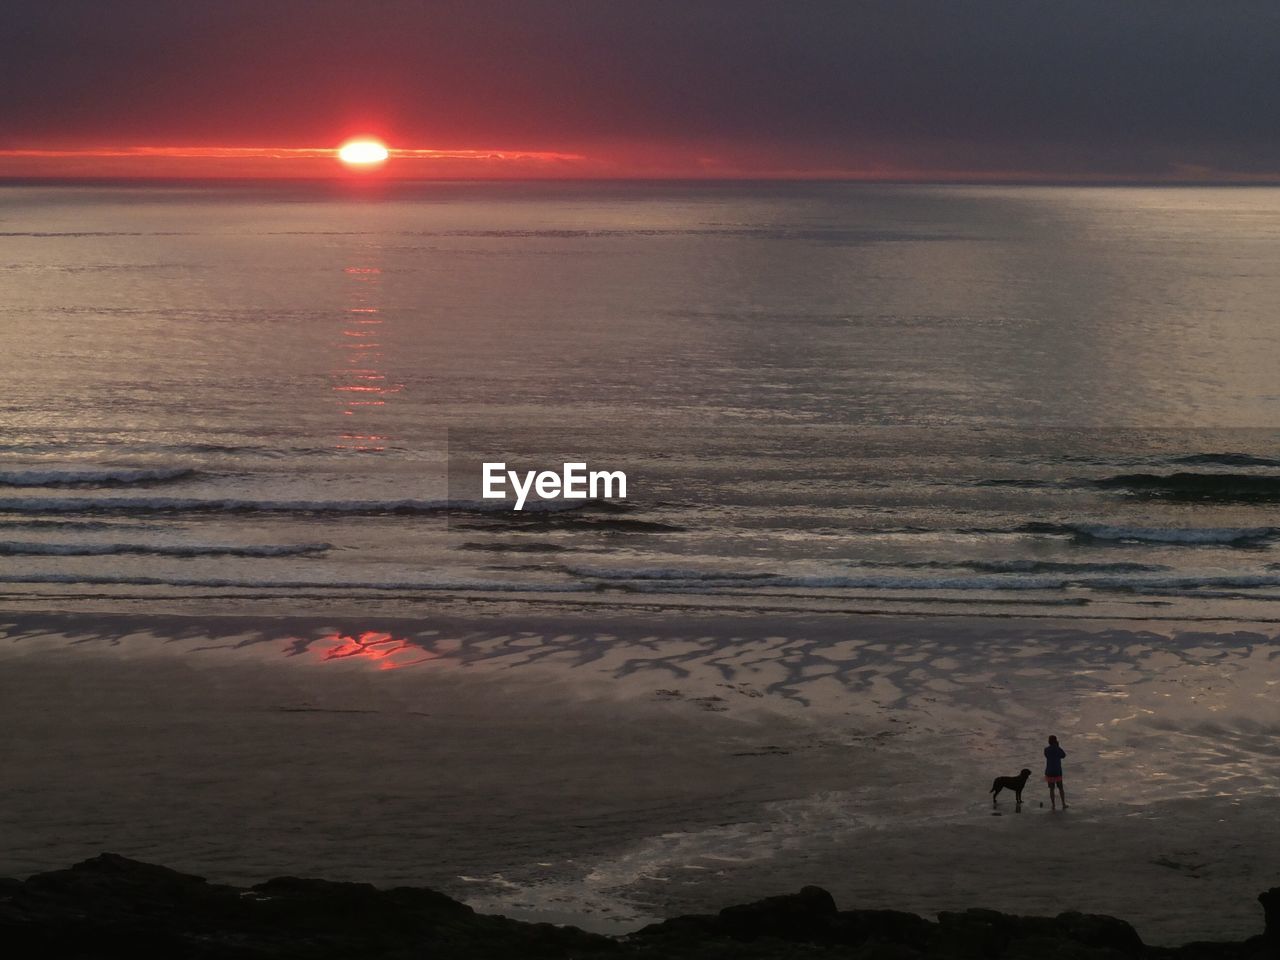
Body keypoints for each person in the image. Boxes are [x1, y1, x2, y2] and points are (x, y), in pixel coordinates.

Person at [1044, 735, 1067, 809]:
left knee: (1051, 789)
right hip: (1057, 771)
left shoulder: (1046, 749)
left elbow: (1047, 756)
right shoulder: (1057, 749)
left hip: (1049, 771)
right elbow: (1063, 755)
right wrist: (1058, 746)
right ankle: (1063, 804)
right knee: (1060, 788)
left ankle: (1053, 805)